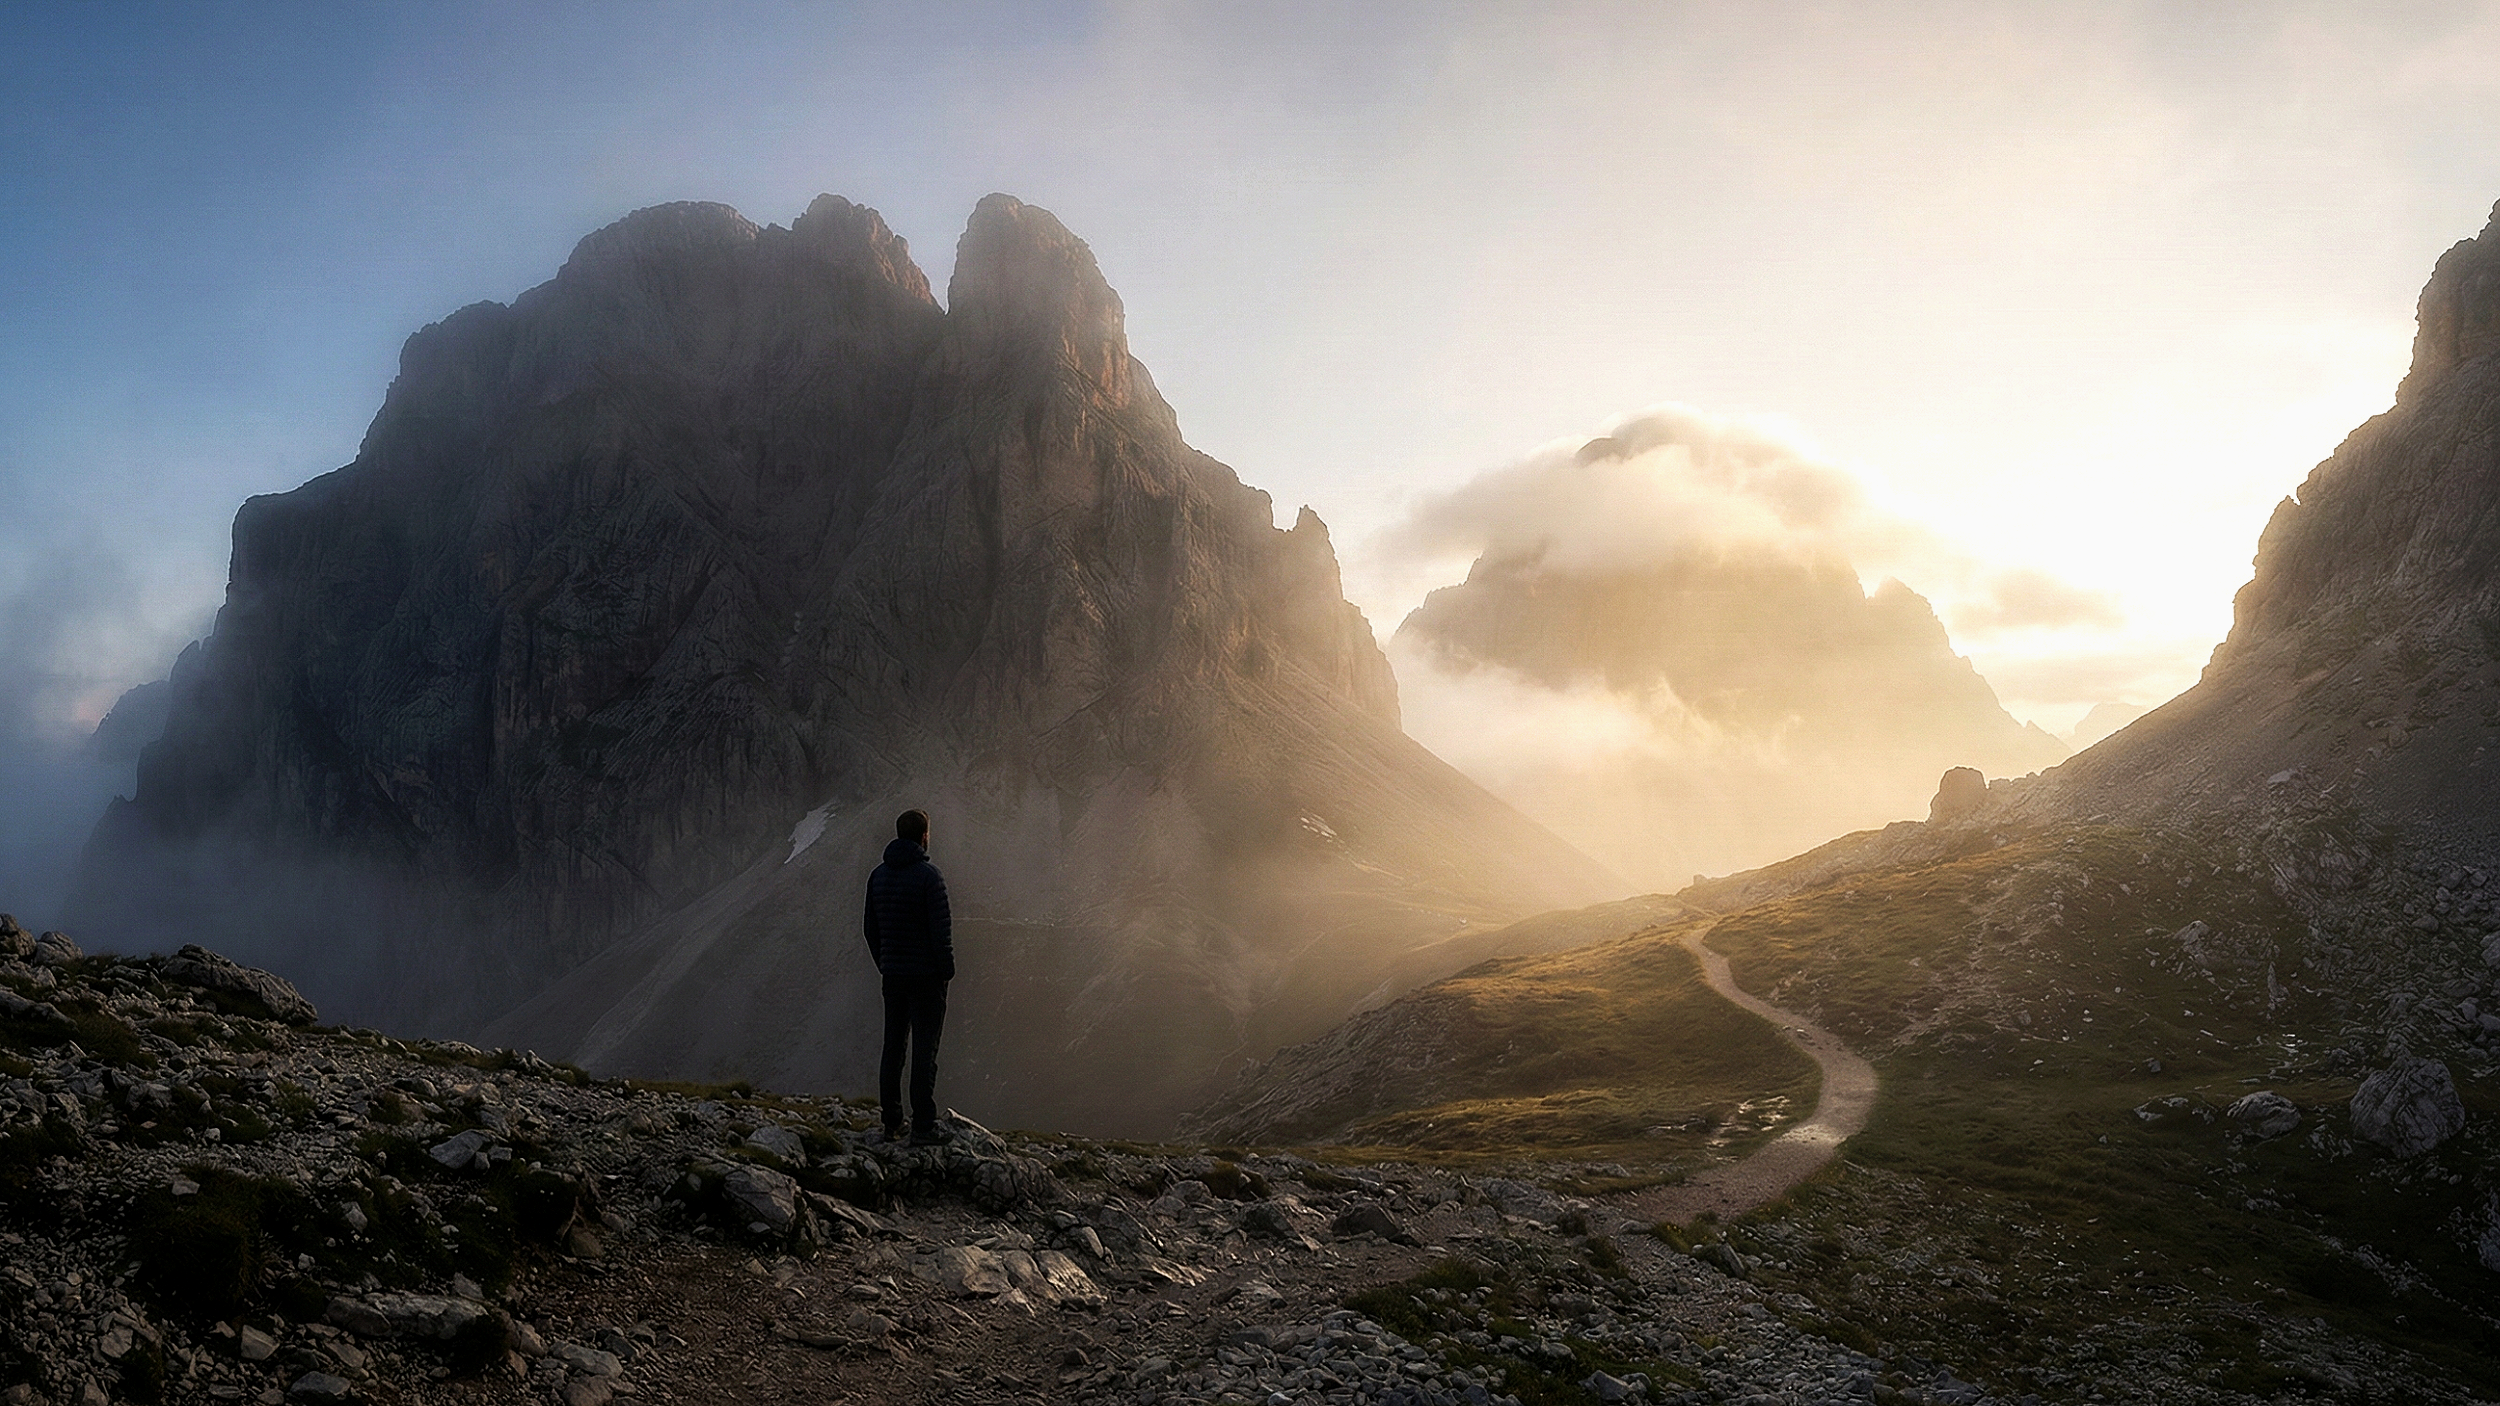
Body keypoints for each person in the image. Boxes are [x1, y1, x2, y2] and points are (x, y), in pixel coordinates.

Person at [863, 808, 954, 1145]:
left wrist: (885, 963)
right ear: (924, 835)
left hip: (894, 976)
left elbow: (870, 928)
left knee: (893, 1047)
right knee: (924, 1051)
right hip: (927, 979)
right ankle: (923, 1127)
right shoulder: (930, 877)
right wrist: (946, 972)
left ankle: (891, 1122)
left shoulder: (878, 876)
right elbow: (940, 933)